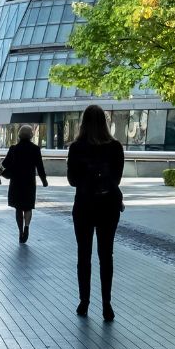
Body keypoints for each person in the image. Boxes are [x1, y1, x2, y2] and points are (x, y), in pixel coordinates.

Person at [67, 104, 125, 321]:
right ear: (105, 122)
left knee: (84, 254)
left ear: (83, 123)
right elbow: (117, 179)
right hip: (108, 205)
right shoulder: (115, 147)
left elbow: (72, 180)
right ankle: (107, 304)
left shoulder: (76, 147)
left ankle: (84, 301)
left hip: (84, 204)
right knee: (106, 255)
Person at [3, 124, 49, 243]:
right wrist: (44, 181)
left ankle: (20, 231)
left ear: (19, 134)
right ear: (31, 135)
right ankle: (27, 227)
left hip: (16, 182)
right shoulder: (35, 149)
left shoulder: (13, 148)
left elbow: (4, 164)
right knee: (28, 207)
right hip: (29, 182)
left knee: (18, 208)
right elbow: (40, 167)